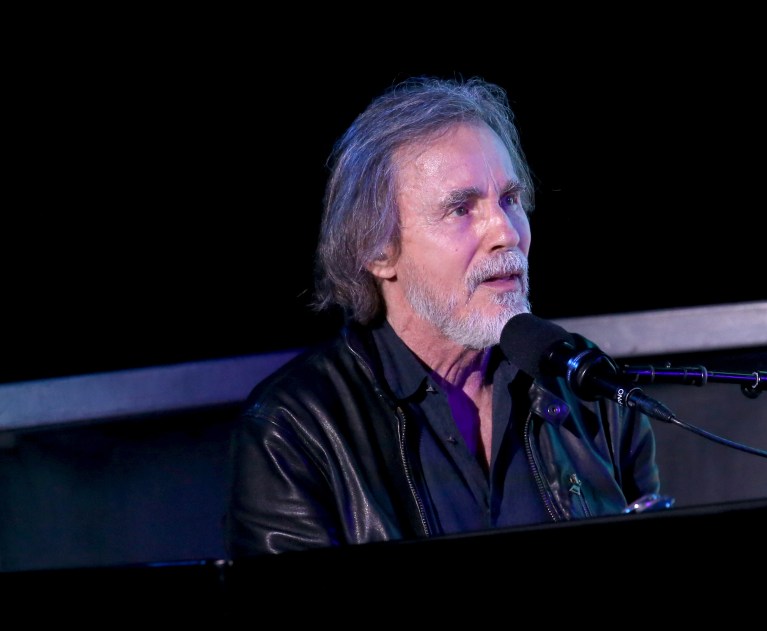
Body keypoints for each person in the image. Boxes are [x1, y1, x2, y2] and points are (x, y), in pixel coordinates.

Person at [224, 75, 662, 558]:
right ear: (378, 251)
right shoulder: (295, 428)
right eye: (460, 209)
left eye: (509, 200)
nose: (506, 233)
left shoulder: (586, 384)